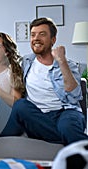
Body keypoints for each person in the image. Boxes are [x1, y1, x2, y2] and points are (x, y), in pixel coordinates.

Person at [10, 17, 88, 146]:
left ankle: (68, 138)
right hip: (38, 115)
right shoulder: (26, 61)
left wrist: (61, 61)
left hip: (65, 111)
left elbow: (75, 94)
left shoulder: (68, 64)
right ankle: (68, 138)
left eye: (42, 34)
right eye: (33, 34)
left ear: (53, 40)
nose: (36, 38)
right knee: (20, 105)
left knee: (67, 126)